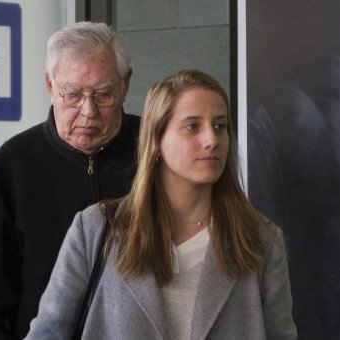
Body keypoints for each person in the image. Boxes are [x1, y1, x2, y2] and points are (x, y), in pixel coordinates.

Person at [26, 69, 297, 339]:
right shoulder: (96, 229)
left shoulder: (260, 240)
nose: (211, 140)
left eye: (220, 126)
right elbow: (46, 334)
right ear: (156, 140)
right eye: (193, 126)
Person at [0, 21, 140, 339]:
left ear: (126, 84)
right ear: (50, 86)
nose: (88, 111)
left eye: (104, 95)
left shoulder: (156, 149)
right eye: (73, 95)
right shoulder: (15, 163)